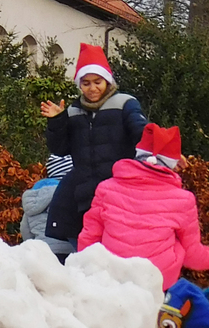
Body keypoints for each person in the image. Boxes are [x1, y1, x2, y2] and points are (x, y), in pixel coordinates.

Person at [78, 123, 209, 289]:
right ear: (172, 164)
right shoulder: (183, 200)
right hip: (155, 284)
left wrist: (87, 276)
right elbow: (193, 256)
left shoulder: (106, 188)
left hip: (111, 279)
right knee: (177, 244)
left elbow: (88, 239)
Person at [40, 42, 148, 243]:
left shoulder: (124, 103)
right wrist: (57, 121)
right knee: (87, 257)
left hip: (120, 195)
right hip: (85, 198)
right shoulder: (72, 112)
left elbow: (141, 133)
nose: (92, 88)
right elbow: (60, 149)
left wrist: (164, 151)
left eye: (97, 81)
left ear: (107, 80)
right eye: (86, 83)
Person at [19, 154, 76, 263]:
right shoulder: (71, 195)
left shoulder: (34, 196)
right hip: (69, 251)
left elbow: (24, 229)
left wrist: (33, 244)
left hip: (41, 251)